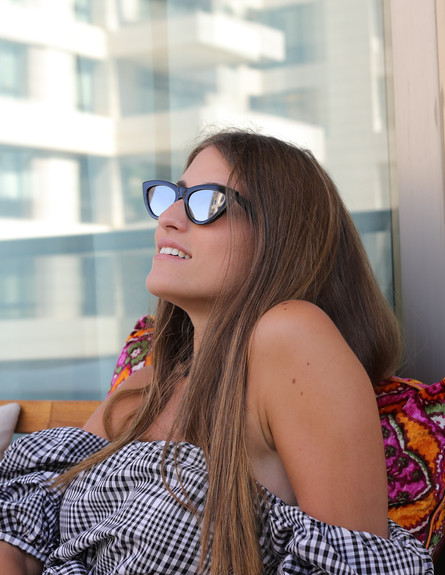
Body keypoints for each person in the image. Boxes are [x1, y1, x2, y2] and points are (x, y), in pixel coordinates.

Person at [0, 129, 434, 574]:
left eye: (206, 202)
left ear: (279, 236)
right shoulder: (148, 386)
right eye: (172, 196)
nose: (168, 218)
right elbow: (23, 525)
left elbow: (353, 565)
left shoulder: (291, 336)